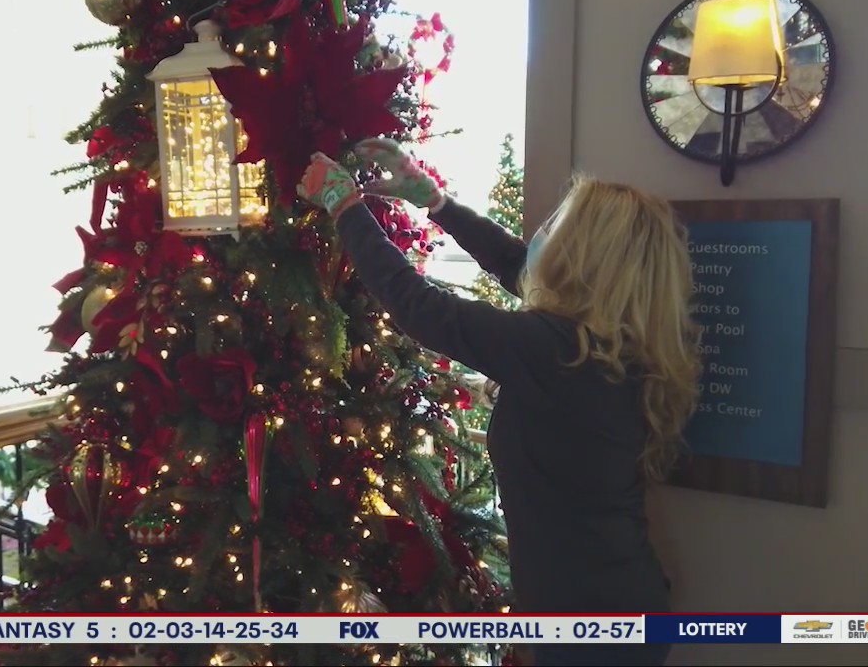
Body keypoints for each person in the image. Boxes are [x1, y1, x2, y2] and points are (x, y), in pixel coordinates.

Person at [298, 139, 702, 667]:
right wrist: (437, 203)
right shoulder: (616, 342)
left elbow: (421, 307)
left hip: (591, 630)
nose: (543, 234)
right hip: (620, 606)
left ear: (584, 259)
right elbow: (518, 265)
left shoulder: (557, 350)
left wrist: (346, 206)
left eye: (558, 226)